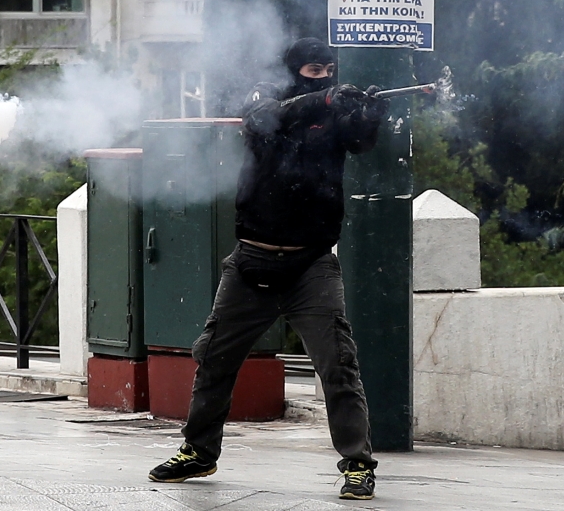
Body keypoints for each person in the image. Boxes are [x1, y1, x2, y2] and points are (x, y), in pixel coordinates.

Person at [147, 37, 390, 500]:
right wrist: (324, 97)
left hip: (311, 264)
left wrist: (366, 111)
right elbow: (264, 120)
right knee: (215, 359)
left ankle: (358, 464)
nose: (322, 76)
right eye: (313, 70)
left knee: (338, 366)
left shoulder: (334, 110)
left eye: (328, 70)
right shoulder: (266, 97)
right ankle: (198, 452)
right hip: (251, 261)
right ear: (295, 71)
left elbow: (361, 142)